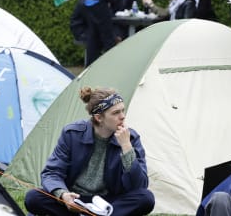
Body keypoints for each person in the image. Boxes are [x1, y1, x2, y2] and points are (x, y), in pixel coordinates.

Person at [24, 86, 155, 216]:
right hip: (75, 200)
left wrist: (126, 147)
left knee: (146, 198)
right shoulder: (72, 134)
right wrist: (63, 195)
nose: (123, 116)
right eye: (116, 113)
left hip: (108, 202)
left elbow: (140, 186)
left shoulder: (130, 138)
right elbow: (51, 172)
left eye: (122, 111)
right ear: (99, 118)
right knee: (33, 197)